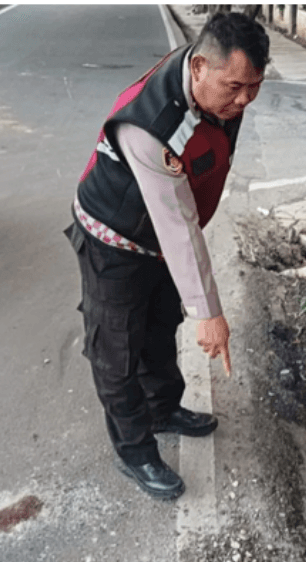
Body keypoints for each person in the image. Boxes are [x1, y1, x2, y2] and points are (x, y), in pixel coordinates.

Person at [65, 12, 270, 500]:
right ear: (198, 67)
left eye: (254, 87)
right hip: (113, 238)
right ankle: (134, 451)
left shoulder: (212, 92)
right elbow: (179, 228)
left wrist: (194, 306)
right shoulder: (153, 129)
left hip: (155, 238)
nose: (243, 100)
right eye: (235, 86)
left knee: (160, 325)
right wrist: (211, 314)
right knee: (117, 349)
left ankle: (163, 409)